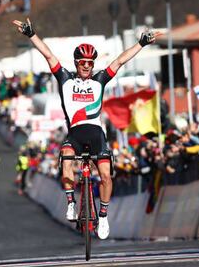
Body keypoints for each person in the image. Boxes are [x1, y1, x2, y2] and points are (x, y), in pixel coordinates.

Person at [12, 18, 160, 239]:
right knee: (67, 160)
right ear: (76, 63)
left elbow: (119, 61)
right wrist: (31, 34)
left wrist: (141, 43)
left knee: (106, 177)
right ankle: (71, 201)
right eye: (83, 62)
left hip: (96, 134)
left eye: (90, 62)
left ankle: (102, 216)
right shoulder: (65, 79)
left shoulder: (99, 80)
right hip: (75, 134)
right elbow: (49, 55)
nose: (87, 66)